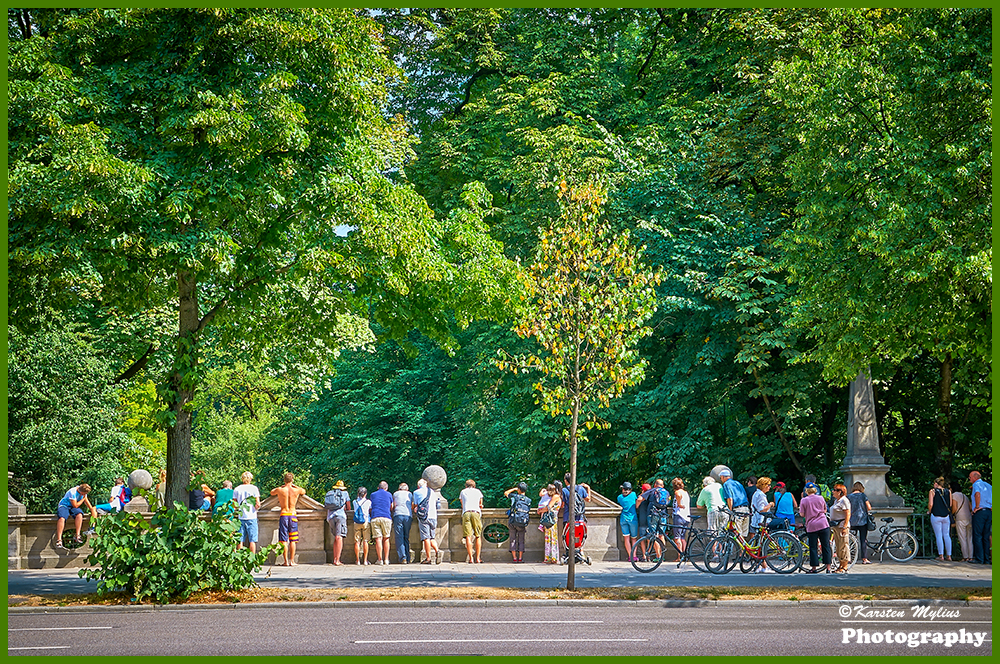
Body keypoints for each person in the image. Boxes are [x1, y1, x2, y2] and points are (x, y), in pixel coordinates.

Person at [270, 472, 307, 566]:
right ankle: (292, 561)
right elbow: (303, 491)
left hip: (284, 514)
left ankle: (285, 561)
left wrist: (282, 486)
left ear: (284, 480)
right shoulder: (296, 490)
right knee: (293, 540)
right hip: (293, 515)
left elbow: (272, 492)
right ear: (292, 480)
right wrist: (294, 485)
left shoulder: (280, 490)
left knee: (284, 540)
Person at [799, 483, 832, 573]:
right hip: (823, 524)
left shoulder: (804, 500)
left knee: (813, 547)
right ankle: (828, 567)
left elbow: (802, 514)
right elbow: (825, 509)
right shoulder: (821, 498)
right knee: (826, 546)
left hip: (812, 525)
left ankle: (814, 568)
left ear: (806, 490)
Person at [55, 483, 97, 548]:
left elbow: (88, 503)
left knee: (80, 514)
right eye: (83, 494)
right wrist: (83, 499)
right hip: (64, 505)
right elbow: (76, 505)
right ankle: (59, 540)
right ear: (81, 492)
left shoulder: (83, 493)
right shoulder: (73, 492)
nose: (84, 495)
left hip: (72, 507)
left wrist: (92, 510)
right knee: (62, 518)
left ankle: (77, 535)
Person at [413, 478, 441, 564]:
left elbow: (415, 505)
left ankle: (428, 558)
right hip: (433, 516)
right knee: (432, 537)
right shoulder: (432, 492)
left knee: (426, 538)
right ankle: (437, 551)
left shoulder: (416, 492)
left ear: (418, 486)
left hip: (424, 517)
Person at [233, 471, 260, 553]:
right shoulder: (254, 488)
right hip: (251, 516)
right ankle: (251, 560)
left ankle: (240, 560)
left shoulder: (237, 489)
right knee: (252, 540)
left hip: (241, 516)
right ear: (250, 478)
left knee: (240, 540)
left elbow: (234, 504)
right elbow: (257, 503)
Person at [504, 482, 532, 563]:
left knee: (513, 539)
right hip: (522, 522)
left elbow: (506, 493)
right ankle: (520, 558)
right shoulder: (528, 500)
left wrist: (514, 489)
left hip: (513, 520)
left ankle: (514, 558)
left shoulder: (515, 496)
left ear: (519, 489)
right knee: (521, 540)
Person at [325, 480, 351, 565]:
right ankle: (337, 560)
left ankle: (334, 559)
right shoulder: (345, 493)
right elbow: (349, 507)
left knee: (336, 538)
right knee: (339, 537)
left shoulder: (330, 493)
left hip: (330, 517)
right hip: (340, 516)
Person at [927, 476, 952, 562]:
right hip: (946, 516)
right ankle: (949, 555)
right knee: (946, 535)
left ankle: (941, 555)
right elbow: (950, 504)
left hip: (936, 515)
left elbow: (931, 504)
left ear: (936, 484)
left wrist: (930, 511)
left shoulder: (932, 491)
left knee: (939, 535)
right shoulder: (948, 491)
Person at [847, 482, 873, 564]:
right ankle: (864, 559)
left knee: (850, 540)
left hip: (852, 521)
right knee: (863, 540)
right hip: (863, 521)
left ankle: (849, 558)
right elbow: (869, 507)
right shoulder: (863, 496)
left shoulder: (849, 496)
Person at [969, 470, 991, 565]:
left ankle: (979, 558)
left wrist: (976, 507)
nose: (969, 479)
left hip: (980, 512)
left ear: (975, 477)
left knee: (977, 535)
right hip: (989, 512)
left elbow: (977, 494)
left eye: (970, 477)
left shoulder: (976, 484)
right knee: (986, 536)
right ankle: (987, 559)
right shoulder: (989, 486)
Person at [460, 479, 484, 564]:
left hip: (466, 513)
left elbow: (462, 503)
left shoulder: (463, 492)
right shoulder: (478, 492)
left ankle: (470, 558)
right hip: (476, 512)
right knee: (478, 535)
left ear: (466, 486)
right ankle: (478, 558)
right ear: (474, 486)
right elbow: (480, 504)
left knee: (468, 536)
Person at [369, 481, 394, 566]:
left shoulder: (373, 494)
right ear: (386, 488)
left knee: (378, 539)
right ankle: (386, 559)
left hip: (375, 517)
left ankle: (380, 559)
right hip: (386, 517)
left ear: (378, 487)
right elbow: (391, 507)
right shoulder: (389, 494)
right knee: (386, 538)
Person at [719, 469, 749, 538]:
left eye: (721, 478)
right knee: (743, 535)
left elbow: (730, 498)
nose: (721, 480)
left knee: (738, 533)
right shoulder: (738, 483)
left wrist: (730, 510)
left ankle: (739, 549)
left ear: (723, 477)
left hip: (738, 510)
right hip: (746, 509)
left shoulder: (726, 484)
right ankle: (742, 549)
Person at [829, 483, 852, 573]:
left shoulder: (844, 500)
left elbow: (848, 513)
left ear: (840, 492)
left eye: (835, 490)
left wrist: (845, 526)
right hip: (836, 526)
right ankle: (840, 565)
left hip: (842, 525)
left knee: (844, 545)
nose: (833, 491)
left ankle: (844, 566)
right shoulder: (837, 501)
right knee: (838, 546)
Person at [950, 480, 973, 563]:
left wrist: (951, 514)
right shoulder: (965, 496)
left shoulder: (954, 495)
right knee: (969, 538)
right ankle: (971, 557)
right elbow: (970, 507)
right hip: (969, 517)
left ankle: (965, 557)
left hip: (960, 518)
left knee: (962, 538)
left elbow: (955, 508)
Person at [538, 484, 561, 564]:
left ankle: (550, 557)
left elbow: (548, 507)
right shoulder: (558, 496)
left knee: (550, 537)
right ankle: (553, 557)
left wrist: (540, 511)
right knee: (552, 537)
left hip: (551, 518)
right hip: (554, 517)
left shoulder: (555, 497)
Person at [392, 482, 414, 564]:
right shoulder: (410, 494)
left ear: (399, 488)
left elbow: (393, 505)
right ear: (407, 489)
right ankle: (408, 557)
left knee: (399, 537)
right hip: (408, 515)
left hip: (398, 515)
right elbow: (412, 505)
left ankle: (402, 557)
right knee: (406, 537)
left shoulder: (395, 494)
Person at [616, 482, 638, 561]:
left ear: (623, 489)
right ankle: (634, 556)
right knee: (634, 538)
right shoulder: (633, 495)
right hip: (633, 519)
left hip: (623, 519)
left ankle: (630, 556)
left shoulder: (620, 497)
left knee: (626, 538)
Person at [671, 478, 691, 557]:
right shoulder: (686, 492)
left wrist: (679, 503)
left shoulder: (677, 492)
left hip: (679, 516)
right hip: (686, 517)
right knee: (682, 537)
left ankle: (679, 556)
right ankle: (685, 554)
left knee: (677, 537)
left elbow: (678, 495)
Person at [352, 486, 372, 565]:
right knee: (365, 541)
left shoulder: (354, 502)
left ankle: (357, 560)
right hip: (365, 521)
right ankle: (365, 560)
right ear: (365, 494)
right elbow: (370, 510)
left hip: (356, 522)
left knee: (357, 541)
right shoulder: (368, 502)